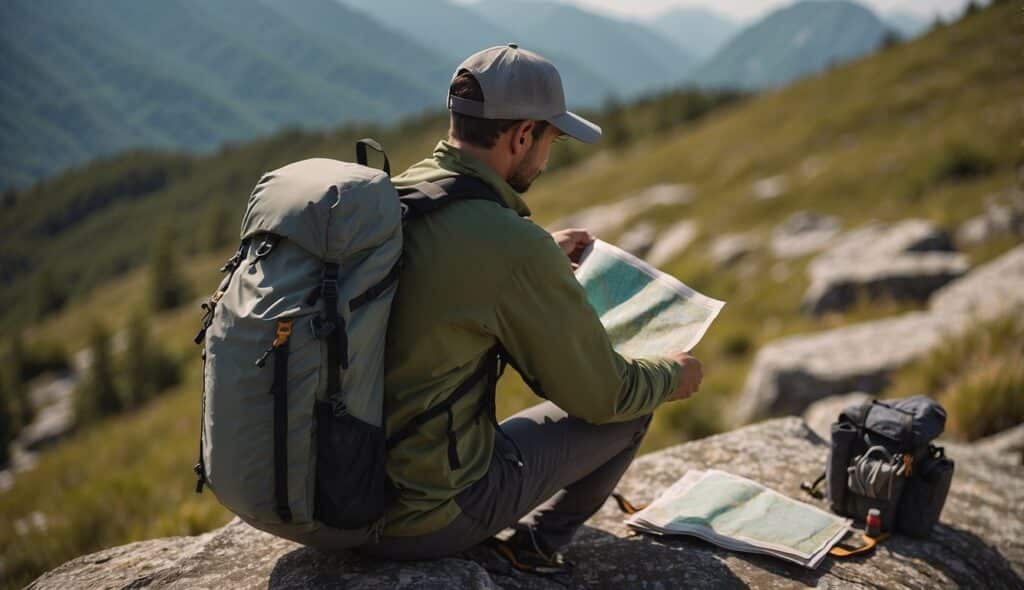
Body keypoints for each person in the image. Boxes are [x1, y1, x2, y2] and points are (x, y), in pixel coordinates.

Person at [362, 44, 703, 571]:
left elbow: (444, 274)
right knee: (631, 409)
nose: (547, 155)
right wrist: (673, 375)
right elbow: (602, 395)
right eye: (553, 138)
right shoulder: (509, 245)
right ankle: (538, 546)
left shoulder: (403, 194)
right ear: (523, 134)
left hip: (337, 499)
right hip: (423, 518)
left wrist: (537, 252)